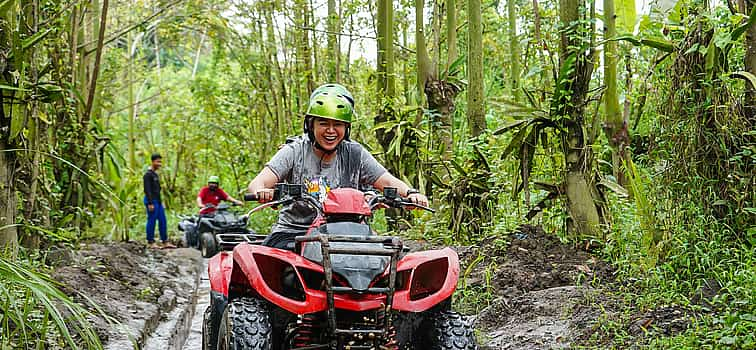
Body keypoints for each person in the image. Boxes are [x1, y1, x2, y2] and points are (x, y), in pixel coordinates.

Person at [247, 84, 429, 250]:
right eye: (323, 123)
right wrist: (262, 192)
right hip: (295, 231)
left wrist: (411, 193)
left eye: (338, 124)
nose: (331, 131)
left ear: (346, 128)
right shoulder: (294, 151)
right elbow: (258, 183)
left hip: (349, 233)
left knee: (389, 264)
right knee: (271, 268)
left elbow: (387, 180)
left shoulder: (356, 153)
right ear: (311, 125)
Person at [143, 153, 175, 249]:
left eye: (160, 162)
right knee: (152, 221)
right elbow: (147, 190)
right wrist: (150, 203)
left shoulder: (155, 175)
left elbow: (157, 190)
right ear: (152, 162)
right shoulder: (147, 175)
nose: (159, 164)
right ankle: (150, 241)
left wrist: (161, 202)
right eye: (158, 162)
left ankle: (165, 241)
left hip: (158, 201)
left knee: (162, 220)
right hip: (151, 201)